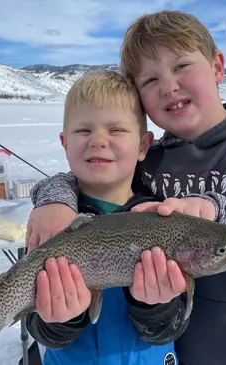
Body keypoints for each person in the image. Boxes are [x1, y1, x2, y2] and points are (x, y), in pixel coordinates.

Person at [25, 10, 226, 365]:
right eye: (149, 80)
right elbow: (94, 178)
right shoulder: (150, 158)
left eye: (181, 66)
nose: (168, 86)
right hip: (169, 349)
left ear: (218, 66)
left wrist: (218, 212)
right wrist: (54, 197)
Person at [26, 70, 188, 365]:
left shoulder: (163, 220)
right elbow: (38, 330)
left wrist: (153, 306)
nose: (98, 140)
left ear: (143, 146)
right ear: (64, 143)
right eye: (84, 131)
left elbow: (170, 330)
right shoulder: (51, 224)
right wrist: (63, 319)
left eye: (115, 130)